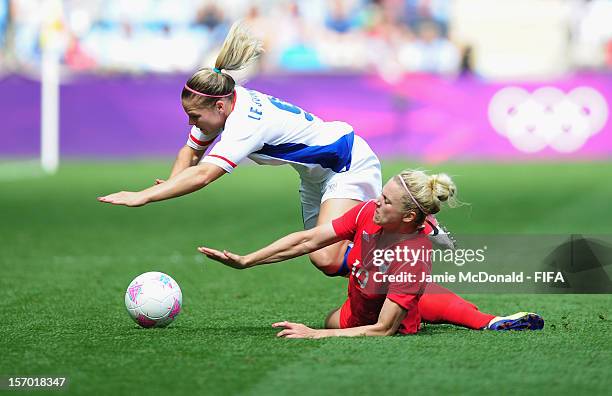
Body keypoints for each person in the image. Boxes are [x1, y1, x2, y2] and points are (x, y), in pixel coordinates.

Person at [97, 20, 451, 276]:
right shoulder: (226, 104)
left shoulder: (244, 126)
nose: (192, 124)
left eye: (194, 116)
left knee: (325, 252)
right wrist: (173, 183)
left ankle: (414, 231)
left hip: (347, 161)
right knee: (327, 261)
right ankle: (391, 258)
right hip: (316, 175)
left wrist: (143, 195)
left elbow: (204, 174)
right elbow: (190, 155)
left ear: (219, 107)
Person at [199, 170, 545, 338]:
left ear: (408, 216)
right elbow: (309, 240)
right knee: (337, 309)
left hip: (380, 319)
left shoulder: (413, 255)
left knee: (414, 303)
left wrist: (315, 335)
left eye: (386, 201)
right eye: (380, 195)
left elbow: (382, 330)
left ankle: (490, 321)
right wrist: (247, 260)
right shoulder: (367, 212)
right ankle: (489, 319)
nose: (376, 202)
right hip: (360, 301)